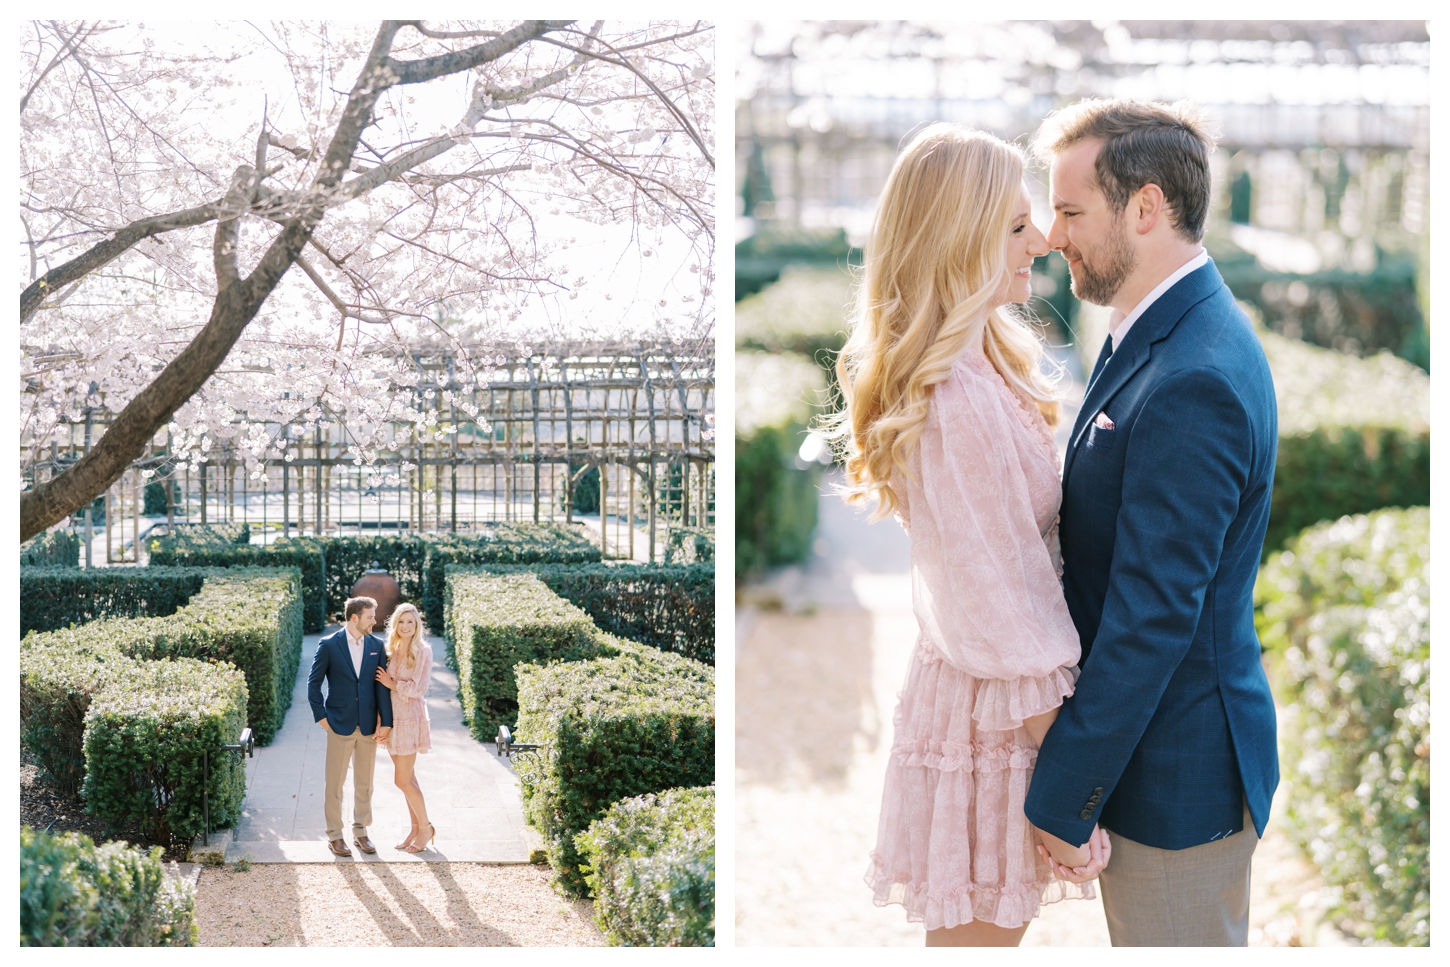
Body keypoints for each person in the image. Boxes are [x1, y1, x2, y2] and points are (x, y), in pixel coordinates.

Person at [826, 123, 1109, 947]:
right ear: (960, 241)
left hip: (995, 703)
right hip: (998, 717)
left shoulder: (980, 362)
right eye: (1016, 227)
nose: (1043, 241)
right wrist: (1066, 791)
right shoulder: (955, 397)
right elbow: (998, 603)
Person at [1022, 98, 1279, 946]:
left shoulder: (1192, 376)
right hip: (1159, 758)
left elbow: (1152, 616)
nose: (1053, 235)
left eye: (1069, 210)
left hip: (1177, 779)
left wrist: (1063, 791)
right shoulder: (1156, 329)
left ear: (1145, 208)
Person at [308, 595, 394, 858]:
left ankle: (361, 832)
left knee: (365, 784)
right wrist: (323, 719)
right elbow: (313, 684)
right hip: (338, 724)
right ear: (354, 618)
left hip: (368, 725)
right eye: (370, 616)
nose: (375, 621)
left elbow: (381, 686)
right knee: (334, 784)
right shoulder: (329, 645)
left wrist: (387, 722)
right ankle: (335, 835)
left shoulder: (376, 645)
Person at [374, 602, 436, 852]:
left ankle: (426, 828)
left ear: (417, 624)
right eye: (402, 621)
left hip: (410, 718)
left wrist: (392, 684)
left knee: (402, 780)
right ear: (395, 625)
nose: (406, 626)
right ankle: (415, 828)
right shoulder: (391, 648)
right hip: (391, 718)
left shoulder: (423, 651)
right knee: (408, 778)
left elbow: (419, 689)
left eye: (411, 621)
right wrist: (380, 720)